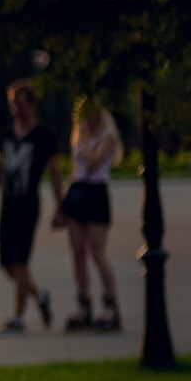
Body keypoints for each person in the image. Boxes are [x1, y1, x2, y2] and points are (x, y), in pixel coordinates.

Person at [0, 80, 59, 335]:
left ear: (31, 103)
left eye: (21, 102)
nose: (16, 108)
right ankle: (40, 295)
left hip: (28, 204)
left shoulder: (43, 136)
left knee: (21, 261)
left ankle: (18, 317)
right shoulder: (6, 135)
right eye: (13, 103)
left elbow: (55, 173)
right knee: (6, 263)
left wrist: (61, 206)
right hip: (8, 204)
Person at [58, 98, 123, 332]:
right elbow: (74, 170)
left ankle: (111, 303)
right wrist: (62, 204)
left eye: (93, 112)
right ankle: (84, 303)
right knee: (77, 252)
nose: (89, 118)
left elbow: (93, 162)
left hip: (96, 193)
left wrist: (84, 137)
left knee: (97, 252)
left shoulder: (107, 136)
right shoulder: (78, 134)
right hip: (78, 192)